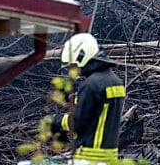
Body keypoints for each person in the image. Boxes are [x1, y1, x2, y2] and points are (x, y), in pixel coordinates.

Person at [51, 33, 125, 163]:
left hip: (89, 156)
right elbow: (98, 114)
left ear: (81, 58)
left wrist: (57, 121)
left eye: (73, 65)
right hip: (109, 155)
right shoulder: (115, 81)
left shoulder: (91, 84)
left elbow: (79, 122)